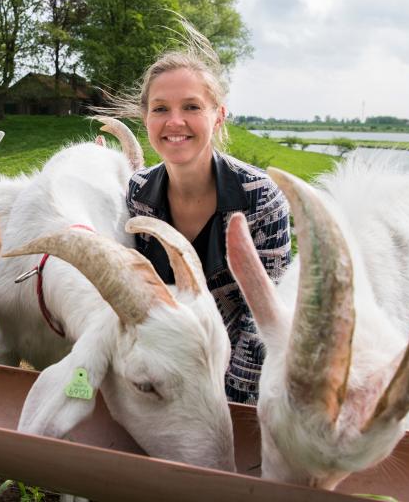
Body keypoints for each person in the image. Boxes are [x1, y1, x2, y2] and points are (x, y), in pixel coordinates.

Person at [112, 21, 291, 404]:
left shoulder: (260, 198)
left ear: (218, 115)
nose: (174, 122)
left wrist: (223, 401)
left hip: (240, 382)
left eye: (191, 107)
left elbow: (263, 322)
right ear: (146, 118)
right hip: (163, 370)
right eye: (161, 108)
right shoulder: (137, 194)